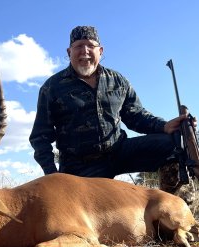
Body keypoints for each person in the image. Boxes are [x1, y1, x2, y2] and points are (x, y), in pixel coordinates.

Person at [29, 25, 196, 193]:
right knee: (94, 213)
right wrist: (52, 175)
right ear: (69, 52)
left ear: (100, 51)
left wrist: (164, 126)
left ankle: (168, 206)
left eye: (90, 46)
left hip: (120, 151)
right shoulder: (51, 87)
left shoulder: (117, 80)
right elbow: (40, 137)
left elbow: (136, 115)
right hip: (80, 166)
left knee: (172, 143)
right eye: (78, 46)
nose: (84, 51)